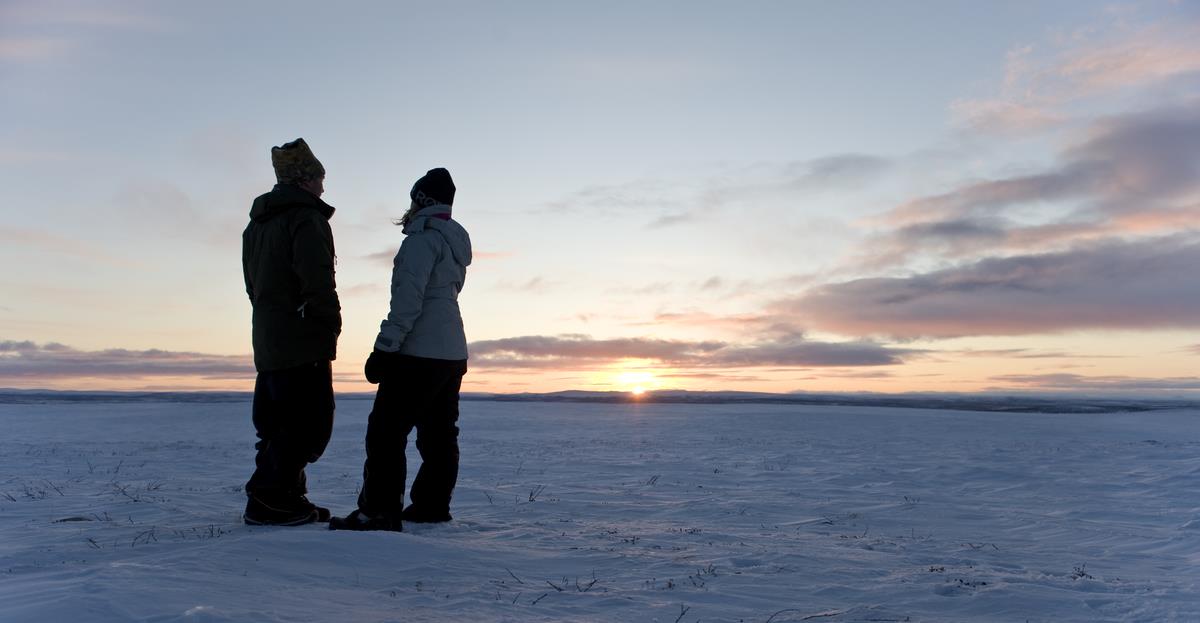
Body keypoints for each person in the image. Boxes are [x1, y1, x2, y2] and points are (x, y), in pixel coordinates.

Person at [330, 167, 471, 532]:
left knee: (386, 432)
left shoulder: (421, 240)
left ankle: (378, 511)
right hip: (452, 352)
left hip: (418, 352)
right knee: (439, 433)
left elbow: (409, 300)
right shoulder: (455, 241)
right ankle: (431, 506)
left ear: (420, 201)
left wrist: (386, 347)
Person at [241, 138, 341, 526]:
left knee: (277, 422)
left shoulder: (257, 225)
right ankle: (269, 498)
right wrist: (328, 324)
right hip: (301, 338)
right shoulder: (305, 218)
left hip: (269, 337)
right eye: (318, 178)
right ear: (304, 179)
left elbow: (252, 285)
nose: (322, 186)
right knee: (308, 422)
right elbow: (317, 281)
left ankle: (286, 496)